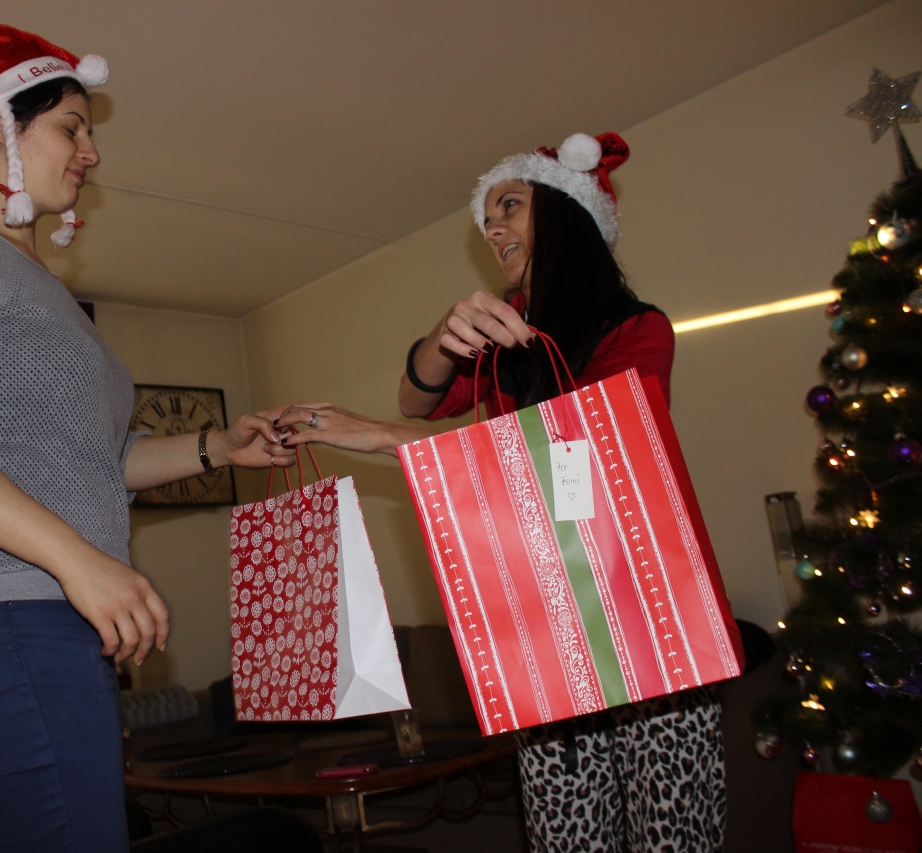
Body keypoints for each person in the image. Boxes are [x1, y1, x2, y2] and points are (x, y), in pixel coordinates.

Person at [0, 24, 292, 852]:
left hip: (48, 617)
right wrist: (79, 559)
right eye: (71, 127)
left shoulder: (47, 294)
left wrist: (217, 446)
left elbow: (97, 462)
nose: (91, 152)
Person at [273, 133, 726, 853]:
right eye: (486, 218)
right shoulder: (504, 340)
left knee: (673, 835)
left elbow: (583, 456)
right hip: (545, 621)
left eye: (509, 205)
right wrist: (445, 334)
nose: (492, 228)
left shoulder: (638, 329)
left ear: (567, 211)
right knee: (565, 832)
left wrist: (382, 436)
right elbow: (418, 399)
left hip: (647, 618)